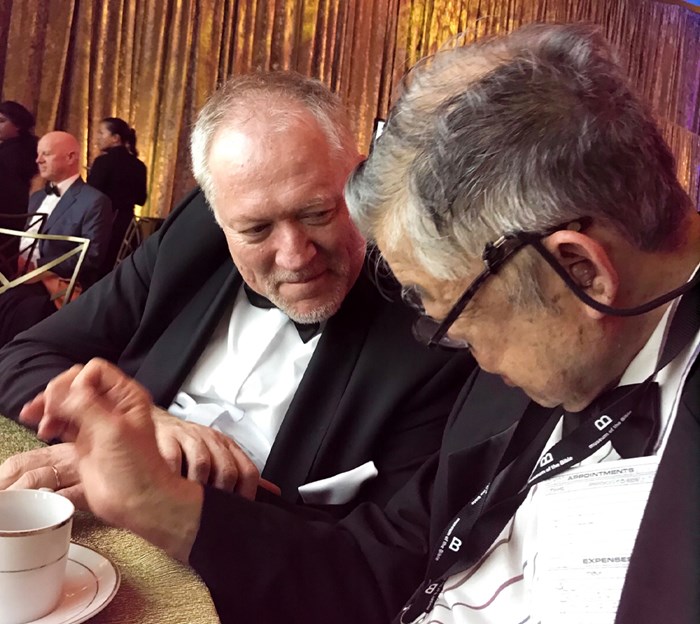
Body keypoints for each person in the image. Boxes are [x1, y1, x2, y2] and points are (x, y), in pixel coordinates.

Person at [11, 24, 699, 624]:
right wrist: (161, 502)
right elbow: (375, 570)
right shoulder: (537, 364)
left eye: (453, 311)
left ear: (581, 272)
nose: (460, 351)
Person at [0, 73, 470, 512]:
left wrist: (160, 482)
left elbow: (381, 558)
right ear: (218, 215)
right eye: (255, 228)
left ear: (363, 180)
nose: (294, 256)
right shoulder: (192, 239)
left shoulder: (430, 315)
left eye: (317, 214)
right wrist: (142, 432)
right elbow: (24, 357)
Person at [0, 131, 112, 347]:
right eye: (38, 153)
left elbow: (92, 257)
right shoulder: (37, 197)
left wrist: (38, 267)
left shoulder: (95, 201)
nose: (38, 160)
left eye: (46, 154)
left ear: (71, 157)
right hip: (16, 275)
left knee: (18, 307)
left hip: (56, 282)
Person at [87, 117, 147, 275]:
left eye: (101, 133)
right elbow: (141, 199)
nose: (97, 137)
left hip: (102, 226)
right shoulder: (139, 165)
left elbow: (91, 196)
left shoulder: (103, 162)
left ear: (115, 138)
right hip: (126, 227)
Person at [0, 101, 39, 267]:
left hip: (7, 225)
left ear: (18, 126)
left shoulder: (12, 153)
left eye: (2, 121)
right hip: (20, 225)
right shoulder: (32, 147)